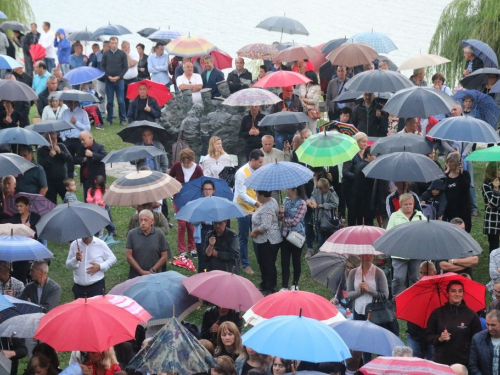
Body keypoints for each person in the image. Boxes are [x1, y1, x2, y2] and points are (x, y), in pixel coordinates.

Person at [425, 280, 482, 366]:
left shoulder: (471, 314)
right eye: (453, 291)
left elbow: (478, 339)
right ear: (447, 293)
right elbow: (428, 336)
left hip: (464, 362)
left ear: (463, 293)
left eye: (460, 291)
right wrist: (439, 338)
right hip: (441, 362)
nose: (457, 294)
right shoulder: (437, 313)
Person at [347, 253, 389, 366]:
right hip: (358, 311)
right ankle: (366, 365)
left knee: (376, 341)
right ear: (361, 255)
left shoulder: (379, 273)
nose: (369, 256)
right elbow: (349, 294)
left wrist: (369, 290)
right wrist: (359, 291)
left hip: (374, 313)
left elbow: (385, 295)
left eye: (371, 254)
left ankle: (379, 366)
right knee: (363, 342)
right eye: (366, 254)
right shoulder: (353, 273)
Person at [386, 193, 425, 296]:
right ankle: (396, 299)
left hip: (416, 252)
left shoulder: (421, 216)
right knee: (399, 278)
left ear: (414, 204)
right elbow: (389, 232)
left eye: (410, 204)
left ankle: (413, 298)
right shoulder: (395, 216)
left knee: (414, 278)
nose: (408, 206)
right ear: (400, 205)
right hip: (399, 252)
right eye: (405, 204)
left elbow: (426, 232)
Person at [234, 149, 264, 275]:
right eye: (260, 162)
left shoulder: (258, 171)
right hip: (242, 209)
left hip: (255, 209)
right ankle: (245, 264)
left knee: (257, 234)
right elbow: (241, 194)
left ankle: (261, 260)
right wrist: (257, 203)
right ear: (252, 161)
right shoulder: (241, 173)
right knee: (244, 237)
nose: (261, 165)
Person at [169, 148, 204, 257]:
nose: (186, 163)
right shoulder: (177, 166)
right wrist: (175, 188)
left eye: (188, 160)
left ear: (192, 159)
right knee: (182, 224)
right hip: (179, 199)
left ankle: (192, 248)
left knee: (190, 225)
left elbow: (201, 183)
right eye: (184, 160)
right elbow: (169, 178)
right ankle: (182, 250)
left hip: (192, 199)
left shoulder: (197, 168)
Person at [66, 235, 117, 299]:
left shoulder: (100, 243)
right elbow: (68, 265)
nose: (86, 236)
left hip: (96, 286)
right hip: (79, 287)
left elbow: (112, 258)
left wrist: (100, 266)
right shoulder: (74, 244)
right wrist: (75, 259)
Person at [250, 190, 281, 295]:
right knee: (263, 262)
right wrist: (254, 214)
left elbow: (265, 226)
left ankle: (270, 287)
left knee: (268, 264)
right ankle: (264, 283)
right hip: (265, 240)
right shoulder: (271, 201)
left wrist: (254, 232)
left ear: (263, 195)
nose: (256, 195)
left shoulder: (267, 207)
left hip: (268, 240)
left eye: (257, 194)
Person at [405, 261, 437, 359]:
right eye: (421, 273)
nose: (423, 276)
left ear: (434, 273)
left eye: (426, 273)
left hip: (433, 336)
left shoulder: (439, 291)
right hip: (415, 335)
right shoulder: (412, 290)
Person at [125, 209, 170, 279]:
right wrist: (141, 271)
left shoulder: (159, 234)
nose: (143, 223)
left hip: (156, 275)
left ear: (152, 221)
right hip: (136, 275)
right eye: (141, 220)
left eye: (146, 220)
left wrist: (152, 270)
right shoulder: (132, 234)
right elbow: (129, 256)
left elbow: (164, 256)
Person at [278, 186, 307, 291]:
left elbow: (295, 221)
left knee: (296, 261)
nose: (286, 190)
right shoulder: (285, 201)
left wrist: (284, 219)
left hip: (296, 235)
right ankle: (284, 285)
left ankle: (295, 284)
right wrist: (280, 213)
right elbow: (280, 218)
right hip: (285, 235)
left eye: (288, 189)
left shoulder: (302, 204)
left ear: (294, 190)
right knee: (284, 261)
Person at [37, 132, 72, 204]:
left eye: (56, 138)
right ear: (47, 140)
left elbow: (70, 159)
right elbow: (41, 166)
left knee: (68, 201)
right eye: (52, 139)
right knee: (51, 203)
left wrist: (60, 152)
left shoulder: (61, 146)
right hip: (50, 181)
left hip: (62, 180)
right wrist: (50, 156)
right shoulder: (41, 150)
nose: (55, 141)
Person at [60, 100, 91, 179]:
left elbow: (87, 128)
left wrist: (76, 122)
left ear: (75, 102)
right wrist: (63, 138)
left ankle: (85, 177)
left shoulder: (83, 113)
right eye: (68, 102)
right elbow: (61, 126)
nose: (69, 104)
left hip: (79, 140)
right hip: (68, 139)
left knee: (82, 159)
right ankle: (69, 180)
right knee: (69, 161)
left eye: (71, 102)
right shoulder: (65, 113)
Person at [101, 36, 128, 125]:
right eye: (112, 43)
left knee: (121, 101)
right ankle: (109, 119)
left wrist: (118, 77)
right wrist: (108, 76)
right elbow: (102, 67)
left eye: (115, 43)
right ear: (109, 44)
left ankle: (123, 119)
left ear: (117, 43)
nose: (114, 45)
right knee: (109, 101)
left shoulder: (122, 54)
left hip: (119, 81)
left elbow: (125, 67)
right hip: (109, 81)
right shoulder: (106, 54)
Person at [342, 132, 368, 226]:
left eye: (366, 142)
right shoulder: (350, 154)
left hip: (361, 188)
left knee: (361, 211)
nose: (366, 144)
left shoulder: (366, 154)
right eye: (363, 142)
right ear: (356, 142)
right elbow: (345, 172)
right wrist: (357, 177)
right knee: (352, 211)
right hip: (350, 188)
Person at [74, 131, 107, 202]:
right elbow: (75, 159)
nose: (82, 142)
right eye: (80, 140)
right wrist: (83, 159)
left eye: (83, 139)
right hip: (86, 179)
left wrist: (92, 155)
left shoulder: (99, 147)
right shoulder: (82, 148)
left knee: (100, 200)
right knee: (88, 200)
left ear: (90, 138)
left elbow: (104, 157)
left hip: (97, 181)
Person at [269, 86, 305, 150]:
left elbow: (302, 116)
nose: (289, 93)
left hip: (293, 131)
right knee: (280, 153)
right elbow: (271, 116)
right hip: (280, 132)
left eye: (291, 91)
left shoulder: (297, 101)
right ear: (282, 90)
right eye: (287, 91)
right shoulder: (276, 101)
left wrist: (299, 129)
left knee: (294, 152)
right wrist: (281, 114)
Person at [444, 152, 472, 232]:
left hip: (462, 209)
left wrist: (460, 173)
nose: (448, 163)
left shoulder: (465, 174)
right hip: (449, 209)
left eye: (451, 162)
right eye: (448, 161)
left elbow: (466, 188)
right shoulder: (446, 175)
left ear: (456, 163)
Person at [309, 178, 339, 249]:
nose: (321, 191)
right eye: (320, 190)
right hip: (318, 217)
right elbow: (312, 196)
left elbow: (335, 203)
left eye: (322, 190)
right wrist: (313, 202)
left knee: (328, 235)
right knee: (320, 235)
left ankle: (329, 249)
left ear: (327, 187)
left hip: (327, 218)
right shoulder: (316, 190)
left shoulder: (331, 192)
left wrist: (323, 206)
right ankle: (320, 249)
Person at [469, 309, 500, 374]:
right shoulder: (477, 338)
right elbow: (473, 365)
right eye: (487, 324)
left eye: (493, 325)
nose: (489, 328)